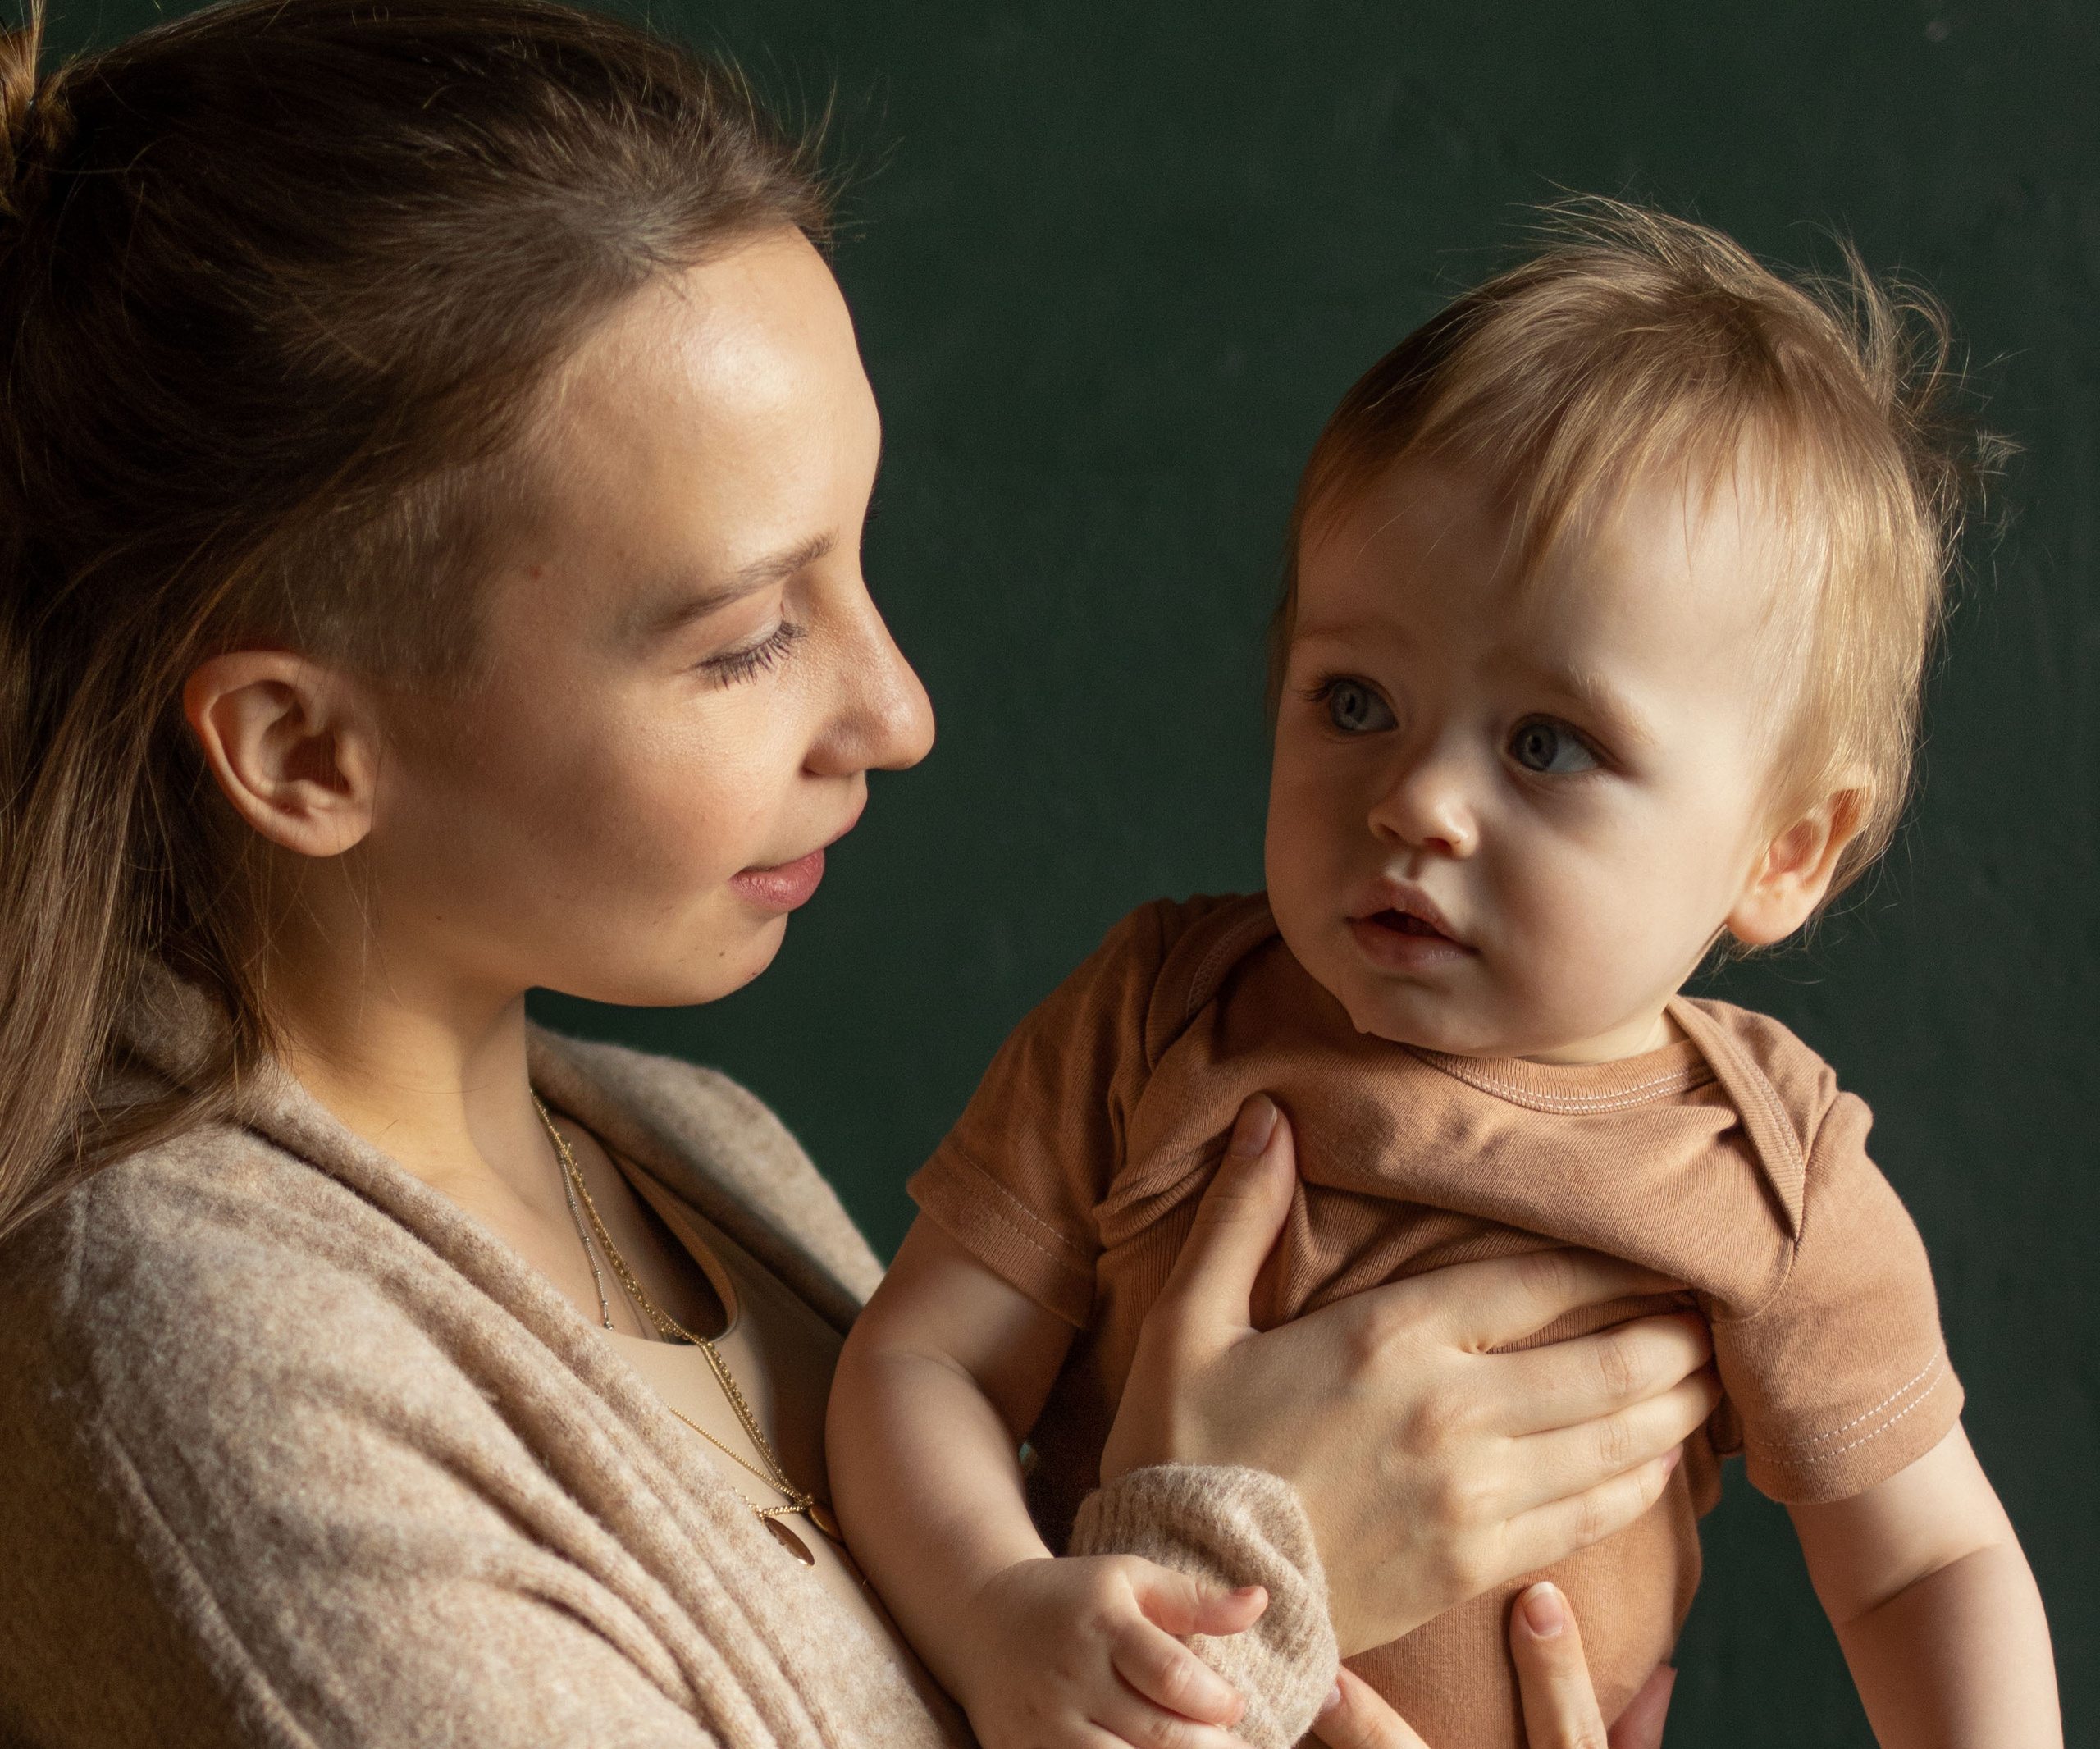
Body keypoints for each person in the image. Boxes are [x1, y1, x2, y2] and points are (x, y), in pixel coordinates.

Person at [0, 1, 1719, 1742]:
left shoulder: (688, 1155)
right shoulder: (203, 1370)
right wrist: (1242, 1568)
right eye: (748, 639)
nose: (895, 712)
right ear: (305, 751)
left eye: (857, 565)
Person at [829, 207, 2063, 1749]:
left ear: (1787, 852)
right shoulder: (1161, 1018)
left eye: (1549, 744)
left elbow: (1928, 1564)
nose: (1415, 799)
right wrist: (993, 1608)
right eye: (1354, 699)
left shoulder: (1769, 1168)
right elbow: (924, 1364)